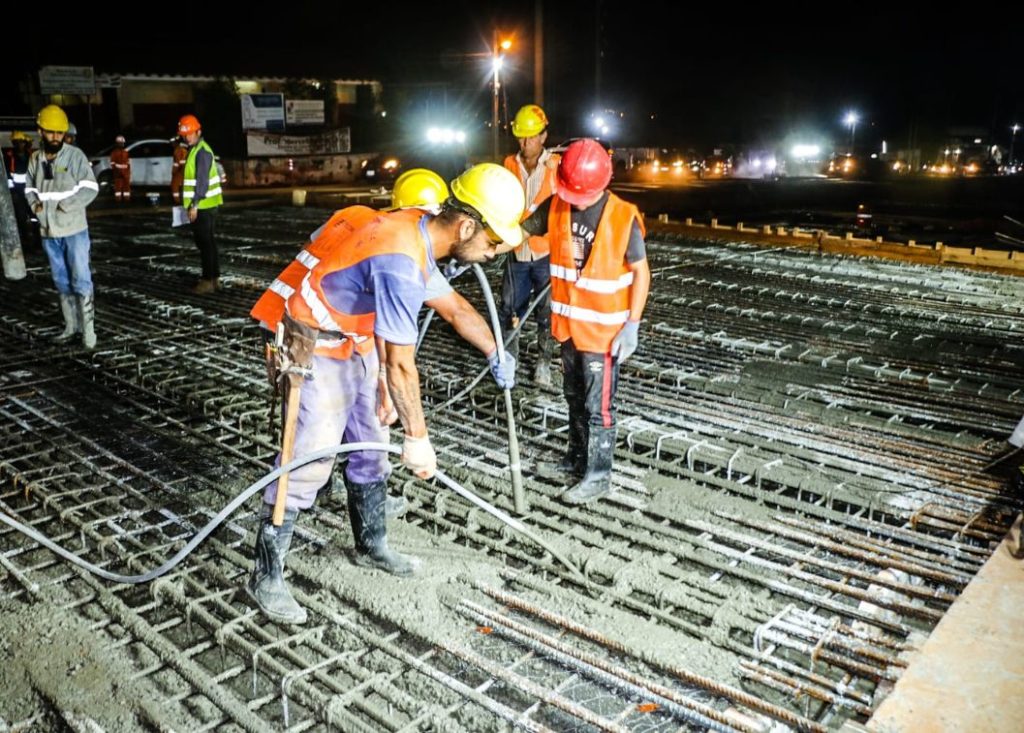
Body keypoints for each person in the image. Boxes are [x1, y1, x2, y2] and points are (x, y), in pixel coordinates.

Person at [245, 163, 524, 625]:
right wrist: (418, 438)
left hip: (355, 338)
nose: (494, 253)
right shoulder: (400, 260)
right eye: (493, 242)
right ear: (467, 226)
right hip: (317, 344)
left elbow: (453, 308)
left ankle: (371, 546)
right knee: (309, 461)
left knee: (372, 447)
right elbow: (399, 363)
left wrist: (495, 350)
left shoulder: (419, 234)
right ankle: (265, 575)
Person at [524, 138, 651, 504]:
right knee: (573, 397)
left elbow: (641, 273)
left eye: (583, 195)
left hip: (605, 333)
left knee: (598, 407)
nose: (576, 200)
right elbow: (521, 231)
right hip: (568, 330)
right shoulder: (557, 205)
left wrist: (633, 324)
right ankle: (576, 460)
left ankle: (598, 476)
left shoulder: (623, 217)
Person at [24, 104, 100, 349]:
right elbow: (28, 188)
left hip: (74, 229)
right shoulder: (36, 158)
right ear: (40, 131)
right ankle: (71, 326)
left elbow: (91, 188)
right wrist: (35, 205)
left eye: (60, 132)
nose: (56, 137)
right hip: (48, 232)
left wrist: (67, 205)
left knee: (81, 278)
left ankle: (88, 331)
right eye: (51, 132)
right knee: (60, 280)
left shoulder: (74, 156)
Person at [501, 104, 560, 386]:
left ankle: (543, 364)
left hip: (546, 251)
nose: (525, 143)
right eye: (521, 137)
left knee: (546, 312)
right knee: (510, 309)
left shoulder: (557, 167)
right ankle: (508, 363)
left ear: (543, 136)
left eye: (531, 137)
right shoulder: (508, 165)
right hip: (516, 251)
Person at [177, 114, 223, 293]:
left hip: (203, 206)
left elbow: (202, 182)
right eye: (184, 134)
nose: (187, 137)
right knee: (209, 243)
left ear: (198, 131)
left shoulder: (201, 151)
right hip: (205, 205)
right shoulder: (196, 149)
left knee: (205, 244)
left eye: (190, 134)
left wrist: (194, 204)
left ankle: (207, 280)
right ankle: (214, 278)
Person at [4, 131, 38, 250]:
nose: (19, 145)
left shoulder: (32, 155)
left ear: (25, 143)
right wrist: (13, 192)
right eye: (17, 143)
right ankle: (26, 242)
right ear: (14, 143)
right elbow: (8, 176)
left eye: (21, 142)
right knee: (21, 218)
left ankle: (38, 241)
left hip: (31, 191)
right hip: (18, 193)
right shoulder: (9, 156)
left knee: (35, 216)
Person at [110, 135, 131, 203]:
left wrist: (128, 172)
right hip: (118, 173)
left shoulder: (126, 152)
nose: (122, 144)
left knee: (126, 187)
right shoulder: (114, 153)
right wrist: (116, 171)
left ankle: (127, 199)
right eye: (120, 143)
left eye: (122, 143)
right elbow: (112, 163)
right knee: (118, 187)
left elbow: (128, 163)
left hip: (125, 173)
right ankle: (118, 199)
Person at [170, 136, 187, 204]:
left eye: (172, 143)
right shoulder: (183, 149)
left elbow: (178, 163)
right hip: (182, 171)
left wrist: (174, 171)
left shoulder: (179, 150)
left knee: (175, 186)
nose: (172, 144)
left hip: (179, 171)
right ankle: (179, 201)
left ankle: (178, 201)